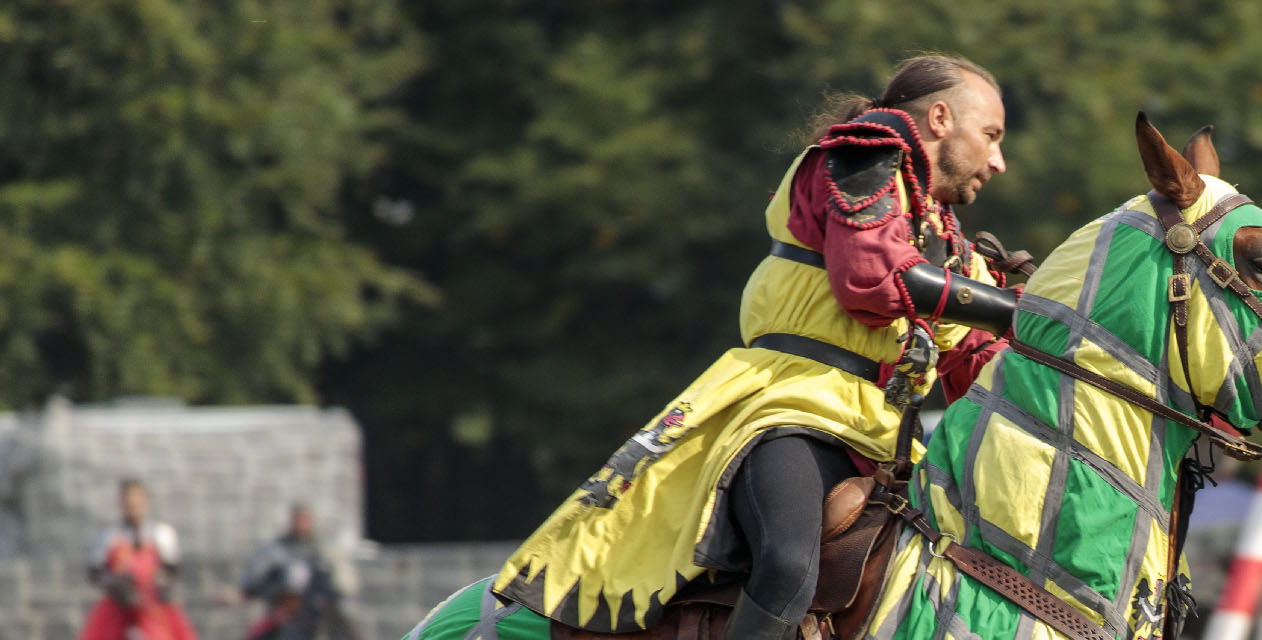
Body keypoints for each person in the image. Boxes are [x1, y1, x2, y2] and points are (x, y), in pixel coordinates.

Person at [488, 54, 1021, 639]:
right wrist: (1009, 308)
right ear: (940, 118)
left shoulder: (945, 237)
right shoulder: (859, 155)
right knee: (788, 565)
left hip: (889, 439)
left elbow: (976, 364)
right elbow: (870, 276)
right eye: (990, 136)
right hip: (794, 408)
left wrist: (1048, 336)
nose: (998, 161)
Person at [78, 478, 199, 640]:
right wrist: (116, 584)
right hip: (118, 606)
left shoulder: (161, 534)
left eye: (137, 503)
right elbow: (96, 573)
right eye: (128, 504)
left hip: (153, 606)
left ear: (145, 502)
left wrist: (160, 583)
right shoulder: (109, 536)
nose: (133, 508)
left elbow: (171, 569)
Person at [241, 503, 359, 640]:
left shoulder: (326, 552)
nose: (301, 525)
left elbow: (346, 584)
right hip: (283, 613)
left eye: (305, 520)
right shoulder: (277, 550)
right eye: (298, 520)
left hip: (318, 615)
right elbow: (253, 580)